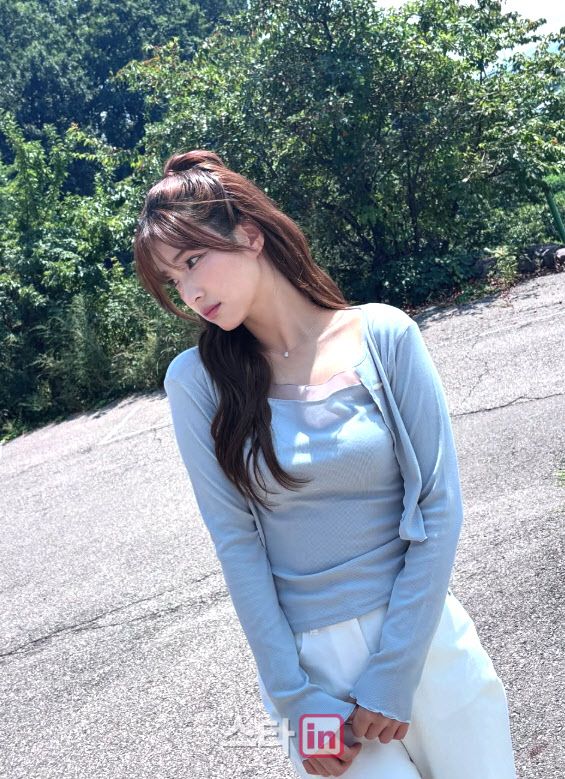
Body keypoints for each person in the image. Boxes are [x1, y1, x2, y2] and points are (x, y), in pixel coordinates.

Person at [133, 149, 518, 778]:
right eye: (173, 280)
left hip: (426, 643)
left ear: (250, 234)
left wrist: (395, 672)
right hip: (313, 678)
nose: (190, 292)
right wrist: (294, 701)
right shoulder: (197, 382)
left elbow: (438, 505)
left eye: (193, 260)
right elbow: (236, 543)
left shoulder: (383, 335)